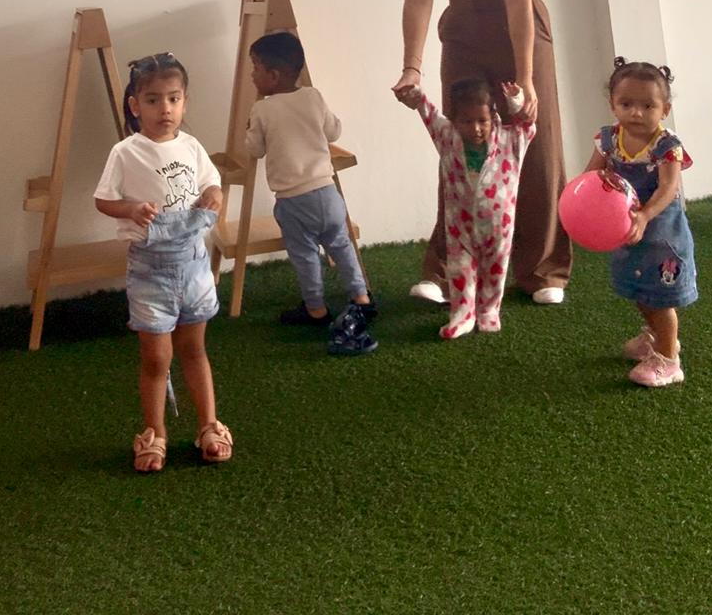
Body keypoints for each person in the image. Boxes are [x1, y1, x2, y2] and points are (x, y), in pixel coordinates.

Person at [394, 0, 571, 305]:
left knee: (534, 140)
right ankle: (446, 271)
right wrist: (412, 66)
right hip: (462, 24)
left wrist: (526, 79)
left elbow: (518, 0)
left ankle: (543, 271)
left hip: (518, 23)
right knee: (461, 143)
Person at [94, 52, 233, 472]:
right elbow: (103, 201)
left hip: (194, 265)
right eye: (153, 100)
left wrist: (214, 195)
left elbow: (212, 183)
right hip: (150, 270)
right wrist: (131, 209)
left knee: (194, 349)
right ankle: (155, 433)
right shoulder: (125, 152)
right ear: (135, 105)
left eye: (173, 99)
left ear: (185, 102)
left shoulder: (191, 146)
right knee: (156, 359)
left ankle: (208, 425)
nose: (165, 109)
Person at [244, 31, 377, 355]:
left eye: (256, 68)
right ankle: (361, 297)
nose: (252, 75)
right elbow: (333, 130)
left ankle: (316, 308)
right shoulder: (313, 97)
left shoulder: (262, 109)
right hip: (327, 193)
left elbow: (255, 149)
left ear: (273, 76)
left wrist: (248, 131)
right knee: (341, 244)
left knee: (304, 254)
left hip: (293, 200)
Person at [583, 58, 697, 388]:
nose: (636, 112)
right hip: (628, 227)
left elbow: (668, 188)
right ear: (613, 104)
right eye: (626, 104)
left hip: (661, 232)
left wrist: (645, 215)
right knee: (639, 289)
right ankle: (654, 337)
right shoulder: (608, 139)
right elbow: (593, 175)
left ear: (665, 110)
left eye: (648, 106)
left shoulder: (667, 146)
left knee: (660, 297)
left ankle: (669, 358)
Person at [396, 78, 535, 337]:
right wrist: (415, 95)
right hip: (460, 227)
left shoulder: (509, 141)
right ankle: (462, 314)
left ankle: (488, 310)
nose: (476, 128)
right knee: (460, 270)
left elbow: (527, 128)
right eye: (467, 121)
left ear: (493, 117)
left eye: (482, 121)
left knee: (495, 272)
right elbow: (430, 115)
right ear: (454, 121)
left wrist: (516, 103)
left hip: (499, 228)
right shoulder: (448, 138)